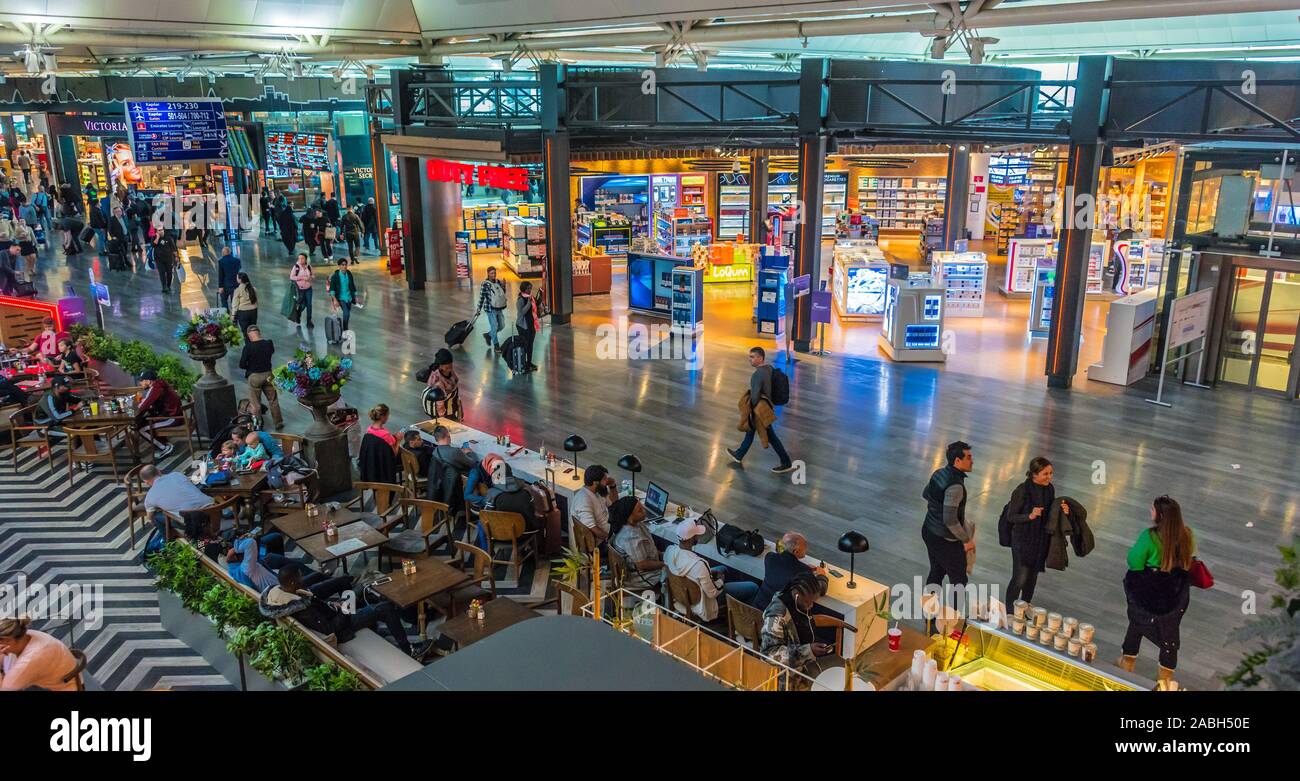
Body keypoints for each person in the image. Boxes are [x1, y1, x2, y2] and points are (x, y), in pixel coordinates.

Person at [259, 562, 425, 659]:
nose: (303, 578)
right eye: (300, 577)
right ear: (294, 582)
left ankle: (376, 619)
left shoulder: (279, 594)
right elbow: (331, 629)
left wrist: (336, 605)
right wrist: (343, 609)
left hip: (336, 611)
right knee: (385, 608)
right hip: (345, 626)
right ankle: (408, 649)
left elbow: (321, 609)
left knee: (363, 590)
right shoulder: (303, 610)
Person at [1119, 495, 1196, 686]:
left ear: (1159, 515)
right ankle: (1166, 679)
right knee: (1170, 633)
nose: (1150, 512)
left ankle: (1127, 664)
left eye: (1152, 509)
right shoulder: (1187, 535)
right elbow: (1189, 559)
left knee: (1137, 625)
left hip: (1150, 592)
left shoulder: (1149, 536)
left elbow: (1134, 562)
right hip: (1176, 592)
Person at [1004, 456, 1070, 605]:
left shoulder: (1049, 489)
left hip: (1040, 540)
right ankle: (1008, 610)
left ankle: (1024, 607)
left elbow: (1050, 512)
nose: (1050, 477)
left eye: (1051, 473)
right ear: (1034, 474)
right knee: (1020, 577)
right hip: (1022, 541)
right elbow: (1012, 517)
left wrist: (1062, 510)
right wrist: (1030, 515)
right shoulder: (1021, 491)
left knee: (1032, 578)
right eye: (1045, 474)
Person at [726, 346, 794, 474]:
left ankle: (786, 462)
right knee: (751, 431)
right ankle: (739, 454)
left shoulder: (757, 374)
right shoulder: (769, 369)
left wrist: (750, 409)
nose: (749, 359)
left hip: (759, 410)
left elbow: (755, 395)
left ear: (760, 358)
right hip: (767, 407)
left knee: (771, 437)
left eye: (752, 357)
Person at [921, 440, 975, 589]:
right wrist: (966, 540)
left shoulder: (939, 473)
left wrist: (937, 509)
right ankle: (954, 612)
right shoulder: (956, 486)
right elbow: (950, 520)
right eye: (968, 458)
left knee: (937, 571)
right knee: (959, 580)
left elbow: (926, 494)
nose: (972, 461)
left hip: (928, 530)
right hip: (944, 538)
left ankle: (929, 610)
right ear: (957, 460)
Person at [759, 572, 834, 676]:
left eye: (813, 602)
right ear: (797, 596)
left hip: (806, 663)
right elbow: (768, 655)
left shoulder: (804, 595)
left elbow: (819, 587)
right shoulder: (777, 616)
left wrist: (823, 576)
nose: (811, 606)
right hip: (787, 675)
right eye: (808, 602)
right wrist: (807, 651)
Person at [663, 519, 726, 622]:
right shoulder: (700, 564)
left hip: (679, 598)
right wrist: (721, 580)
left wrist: (708, 574)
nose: (698, 536)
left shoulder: (669, 551)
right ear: (691, 539)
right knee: (752, 587)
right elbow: (712, 593)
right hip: (700, 605)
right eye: (696, 534)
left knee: (723, 568)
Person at [749, 532, 829, 610]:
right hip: (777, 616)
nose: (806, 549)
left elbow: (785, 568)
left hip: (756, 608)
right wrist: (822, 575)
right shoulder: (803, 572)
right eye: (805, 546)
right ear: (796, 551)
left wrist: (803, 567)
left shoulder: (770, 557)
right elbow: (821, 590)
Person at [0, 617, 78, 691]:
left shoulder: (29, 661)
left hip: (64, 687)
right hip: (62, 673)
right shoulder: (25, 635)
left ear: (7, 640)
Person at [608, 496, 665, 590]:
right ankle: (666, 600)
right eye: (639, 510)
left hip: (643, 569)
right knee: (675, 574)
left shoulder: (635, 524)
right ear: (629, 518)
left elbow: (648, 548)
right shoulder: (630, 536)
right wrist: (664, 564)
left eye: (642, 506)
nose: (644, 511)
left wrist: (662, 554)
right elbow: (642, 565)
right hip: (642, 577)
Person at [237, 325, 284, 430]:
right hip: (268, 375)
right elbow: (271, 352)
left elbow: (242, 364)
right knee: (273, 400)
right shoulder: (268, 344)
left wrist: (250, 366)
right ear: (259, 333)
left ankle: (258, 425)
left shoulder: (248, 347)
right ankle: (278, 422)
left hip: (254, 377)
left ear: (249, 336)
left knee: (255, 404)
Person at [426, 424, 478, 508]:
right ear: (448, 435)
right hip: (454, 490)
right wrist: (469, 452)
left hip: (440, 490)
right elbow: (472, 463)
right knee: (476, 470)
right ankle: (476, 504)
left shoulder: (435, 451)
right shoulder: (455, 452)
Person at [134, 368, 184, 456]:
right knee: (143, 422)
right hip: (172, 415)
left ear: (148, 381)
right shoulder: (160, 384)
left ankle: (164, 447)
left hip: (173, 418)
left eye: (141, 381)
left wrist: (138, 405)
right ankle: (165, 443)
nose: (140, 383)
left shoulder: (156, 388)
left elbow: (143, 406)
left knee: (141, 429)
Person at [571, 464, 616, 541]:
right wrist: (612, 540)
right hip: (603, 540)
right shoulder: (583, 500)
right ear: (596, 482)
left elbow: (615, 504)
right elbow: (593, 529)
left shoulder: (599, 491)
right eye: (605, 479)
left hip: (611, 527)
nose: (607, 481)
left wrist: (613, 485)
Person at [358, 404, 400, 483]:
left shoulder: (369, 430)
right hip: (384, 469)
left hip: (373, 467)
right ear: (383, 417)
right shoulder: (386, 435)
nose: (388, 417)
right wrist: (398, 441)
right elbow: (394, 454)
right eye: (387, 415)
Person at [476, 265, 509, 352]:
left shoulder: (498, 281)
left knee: (502, 325)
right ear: (488, 274)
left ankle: (489, 335)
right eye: (492, 273)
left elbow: (502, 294)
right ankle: (496, 346)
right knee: (494, 327)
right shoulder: (485, 284)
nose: (494, 274)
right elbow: (481, 297)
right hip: (490, 309)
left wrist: (504, 286)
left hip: (499, 307)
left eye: (494, 273)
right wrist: (478, 308)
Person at [425, 348, 461, 420]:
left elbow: (455, 381)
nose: (450, 369)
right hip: (440, 405)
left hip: (450, 402)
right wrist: (442, 418)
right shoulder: (437, 380)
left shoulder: (450, 372)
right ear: (440, 366)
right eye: (447, 367)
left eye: (451, 366)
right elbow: (439, 402)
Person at [326, 257, 360, 333]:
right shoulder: (335, 276)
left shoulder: (349, 274)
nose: (344, 266)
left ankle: (345, 327)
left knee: (347, 314)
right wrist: (334, 300)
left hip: (349, 297)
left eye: (345, 265)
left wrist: (355, 296)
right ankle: (345, 329)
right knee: (346, 313)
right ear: (339, 266)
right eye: (342, 265)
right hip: (341, 298)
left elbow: (352, 286)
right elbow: (332, 289)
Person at [515, 280, 541, 371]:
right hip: (523, 326)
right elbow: (522, 312)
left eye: (531, 288)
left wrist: (539, 299)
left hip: (531, 324)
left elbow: (536, 306)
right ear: (524, 289)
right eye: (528, 288)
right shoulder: (520, 299)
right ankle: (522, 363)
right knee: (525, 345)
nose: (530, 290)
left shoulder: (531, 297)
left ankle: (529, 363)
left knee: (530, 345)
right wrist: (529, 303)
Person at [289, 253, 315, 331]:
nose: (300, 260)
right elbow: (292, 277)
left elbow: (313, 275)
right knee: (302, 305)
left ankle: (309, 321)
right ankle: (298, 314)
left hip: (308, 289)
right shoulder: (296, 267)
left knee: (309, 305)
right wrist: (303, 278)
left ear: (306, 259)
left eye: (302, 258)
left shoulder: (309, 267)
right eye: (299, 258)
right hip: (300, 289)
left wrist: (311, 277)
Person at [153, 229, 179, 293]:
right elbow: (153, 245)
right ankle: (164, 287)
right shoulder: (154, 238)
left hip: (168, 259)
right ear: (156, 232)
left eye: (161, 230)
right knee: (162, 273)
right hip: (159, 259)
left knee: (169, 273)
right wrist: (157, 237)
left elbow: (174, 248)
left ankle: (168, 285)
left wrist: (176, 257)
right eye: (159, 230)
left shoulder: (169, 238)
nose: (161, 231)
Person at [217, 246, 241, 312]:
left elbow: (221, 275)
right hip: (235, 285)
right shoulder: (237, 261)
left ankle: (226, 314)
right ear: (230, 252)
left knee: (224, 301)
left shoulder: (221, 261)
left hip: (225, 285)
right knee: (235, 302)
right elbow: (239, 269)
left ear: (223, 253)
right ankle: (235, 316)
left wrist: (220, 286)